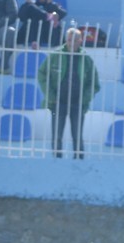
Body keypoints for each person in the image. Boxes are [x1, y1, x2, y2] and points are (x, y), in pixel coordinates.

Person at [38, 28, 100, 160]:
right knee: (56, 136)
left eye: (75, 40)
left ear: (80, 41)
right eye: (70, 39)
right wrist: (51, 95)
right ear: (66, 40)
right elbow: (42, 74)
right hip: (57, 102)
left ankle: (79, 161)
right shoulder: (56, 55)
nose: (72, 43)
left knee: (77, 136)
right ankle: (56, 161)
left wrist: (84, 99)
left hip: (78, 103)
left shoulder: (86, 59)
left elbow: (94, 83)